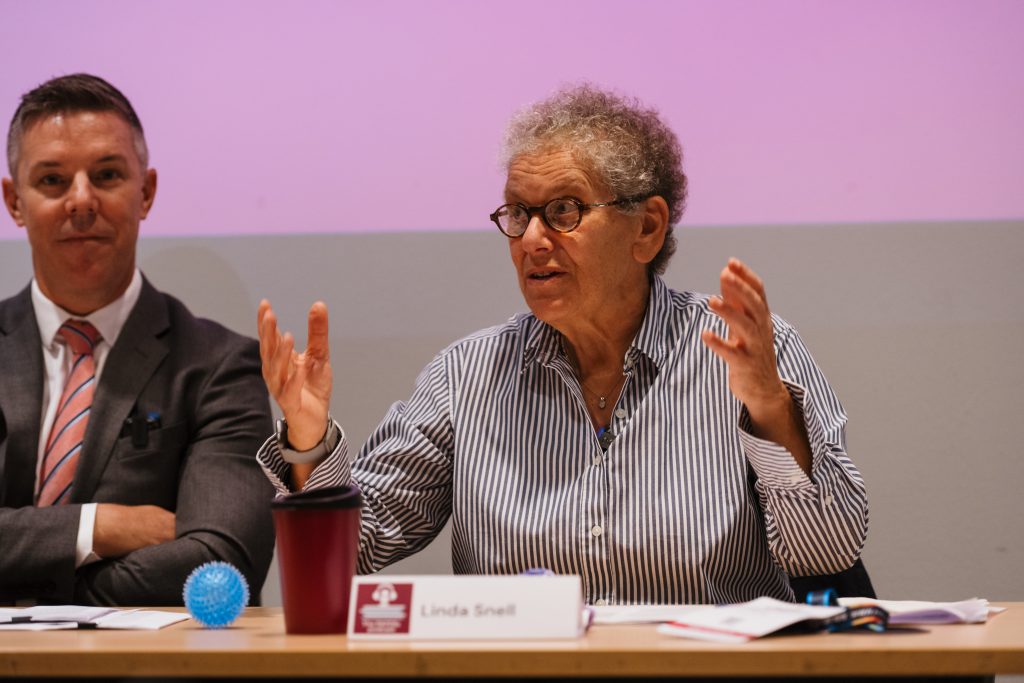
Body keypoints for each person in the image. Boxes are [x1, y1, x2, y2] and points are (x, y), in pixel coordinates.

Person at [256, 84, 868, 605]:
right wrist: (308, 441)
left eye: (564, 210)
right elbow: (355, 550)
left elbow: (828, 554)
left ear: (647, 228)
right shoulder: (466, 377)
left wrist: (770, 413)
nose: (532, 240)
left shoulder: (746, 356)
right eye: (518, 214)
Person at [0, 74, 275, 605]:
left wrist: (22, 584)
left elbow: (220, 567)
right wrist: (96, 528)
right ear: (14, 201)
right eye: (53, 181)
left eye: (106, 175)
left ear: (145, 192)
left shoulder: (220, 366)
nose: (81, 201)